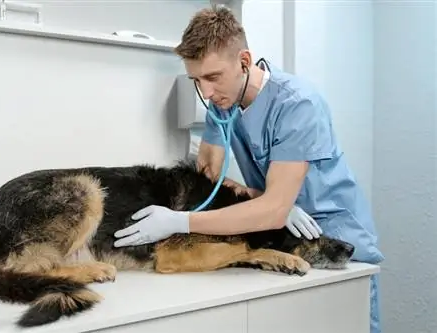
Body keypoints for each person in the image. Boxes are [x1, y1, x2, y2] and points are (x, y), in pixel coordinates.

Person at [113, 5, 384, 333]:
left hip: (334, 244)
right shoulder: (223, 104)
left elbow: (271, 212)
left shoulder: (298, 106)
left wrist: (179, 222)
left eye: (213, 77)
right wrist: (263, 197)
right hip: (278, 236)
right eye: (196, 80)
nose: (207, 92)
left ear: (244, 61)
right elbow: (208, 178)